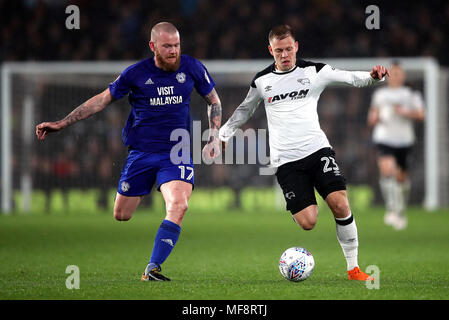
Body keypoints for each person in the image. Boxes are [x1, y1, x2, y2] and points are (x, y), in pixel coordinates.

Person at [36, 22, 222, 281]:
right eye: (167, 46)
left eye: (177, 45)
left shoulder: (192, 67)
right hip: (141, 153)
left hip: (177, 153)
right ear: (153, 46)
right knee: (122, 214)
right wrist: (63, 123)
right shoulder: (135, 74)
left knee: (179, 205)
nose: (173, 51)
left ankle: (152, 268)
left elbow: (213, 99)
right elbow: (102, 100)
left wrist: (213, 136)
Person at [219, 25, 389, 281]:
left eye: (289, 49)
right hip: (286, 161)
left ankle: (353, 268)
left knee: (340, 202)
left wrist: (375, 76)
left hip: (317, 150)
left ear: (296, 46)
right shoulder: (262, 81)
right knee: (308, 222)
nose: (285, 55)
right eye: (279, 51)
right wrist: (224, 132)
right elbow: (245, 109)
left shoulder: (316, 71)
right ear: (271, 51)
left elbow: (352, 78)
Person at [367, 62, 425, 230]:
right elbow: (372, 115)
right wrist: (373, 119)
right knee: (387, 170)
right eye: (393, 73)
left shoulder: (411, 94)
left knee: (402, 179)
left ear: (403, 76)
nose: (396, 76)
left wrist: (405, 112)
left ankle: (400, 210)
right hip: (384, 138)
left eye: (399, 73)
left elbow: (421, 114)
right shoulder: (380, 94)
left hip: (404, 140)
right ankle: (391, 209)